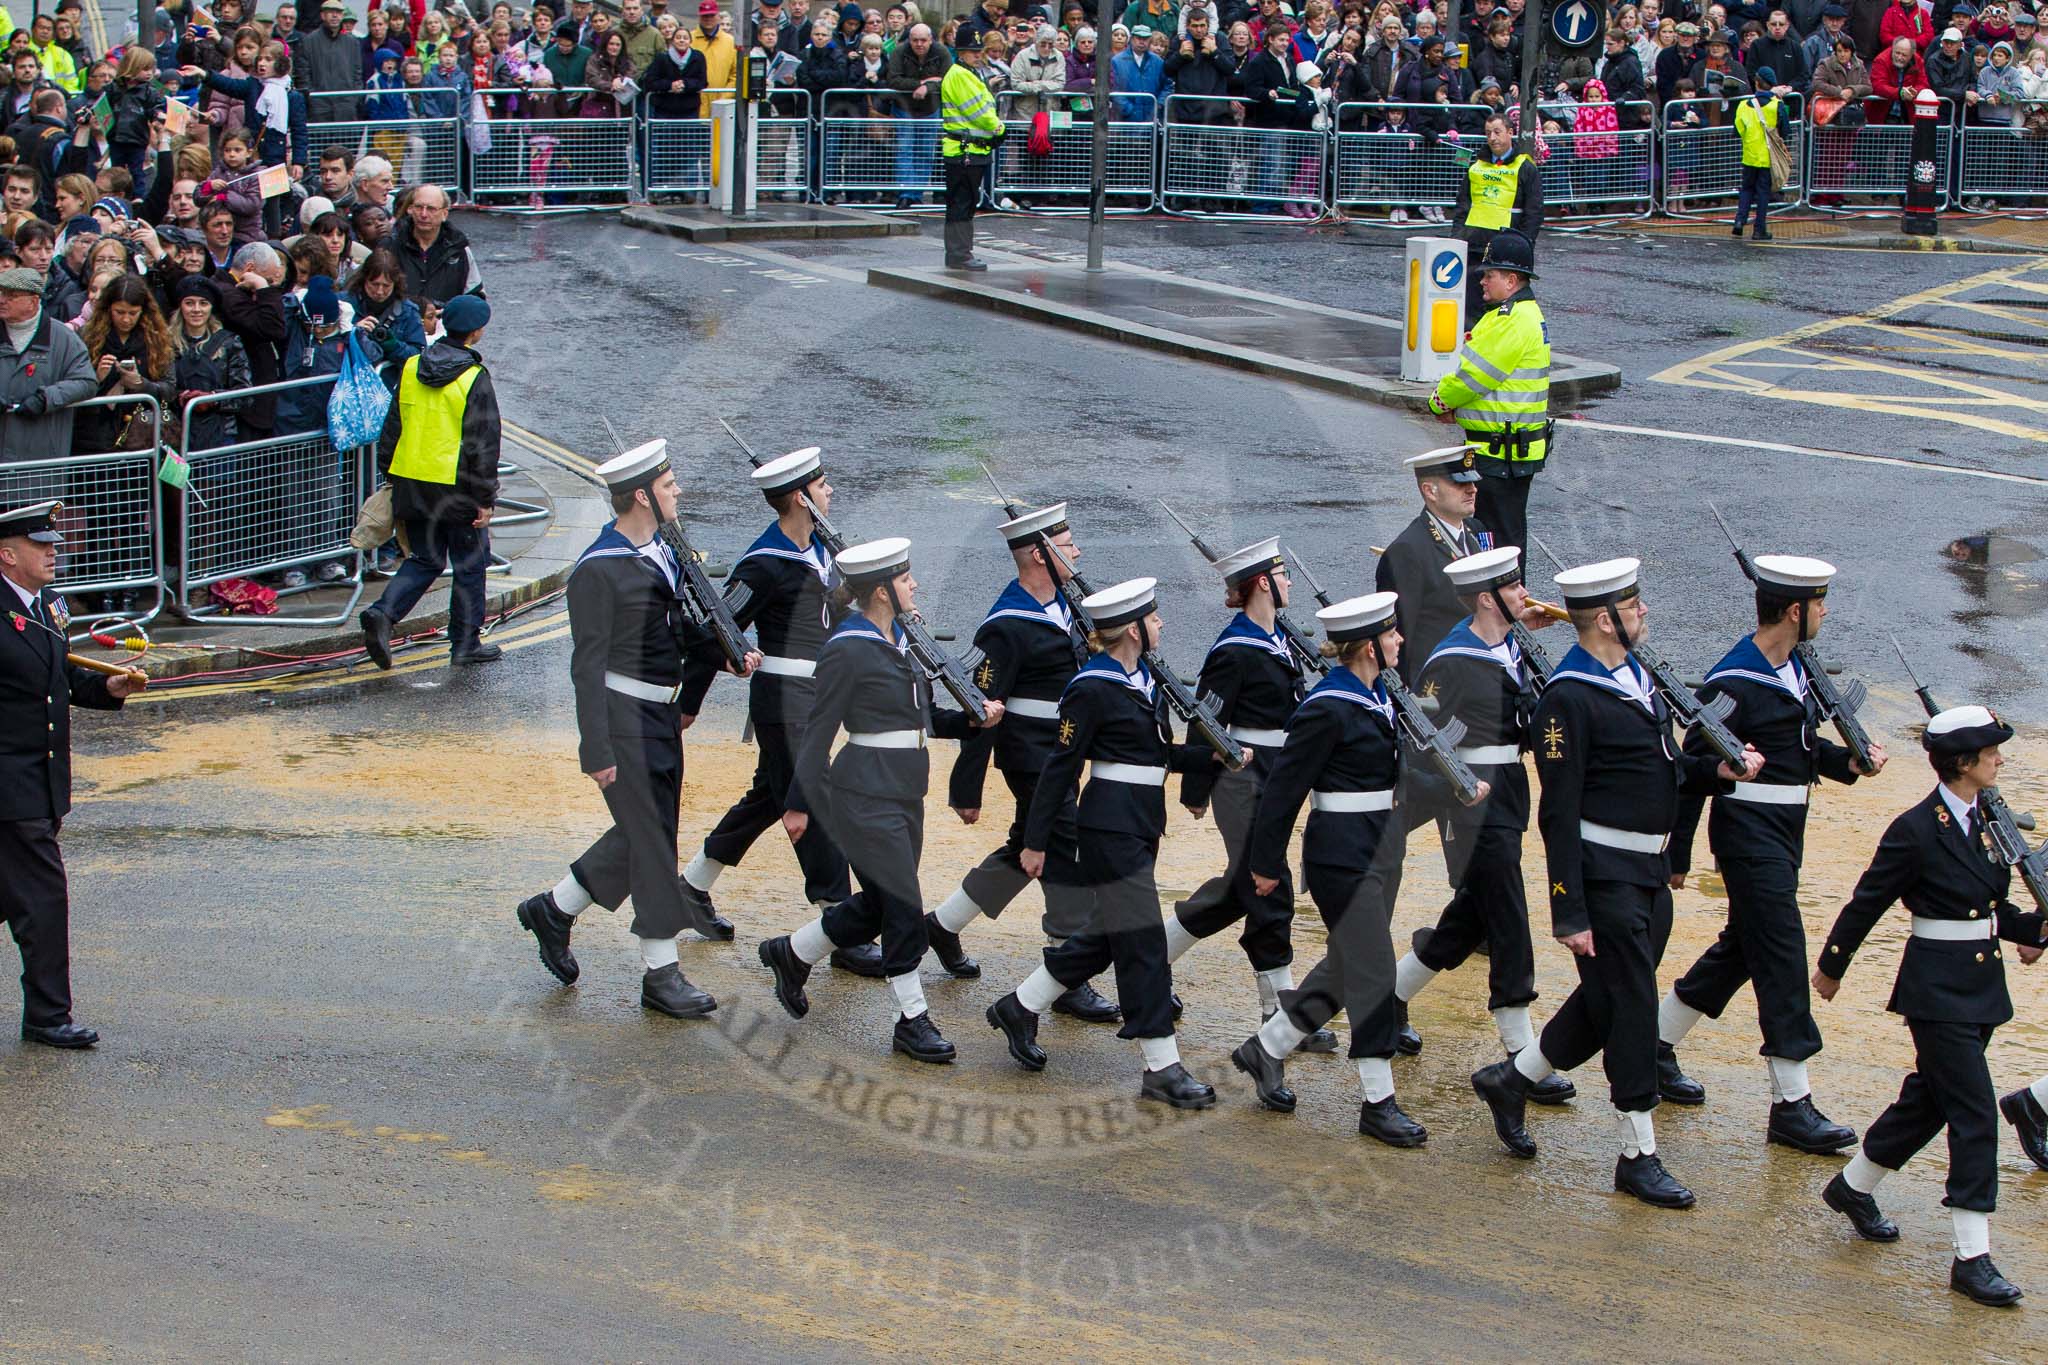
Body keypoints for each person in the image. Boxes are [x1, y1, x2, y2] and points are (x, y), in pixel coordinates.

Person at [1470, 557, 1761, 1208]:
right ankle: (1638, 1153)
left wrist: (1720, 771)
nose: (1645, 613)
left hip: (1648, 872)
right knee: (1631, 1007)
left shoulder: (1637, 675)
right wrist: (1567, 909)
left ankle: (1511, 1079)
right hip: (1603, 881)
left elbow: (1666, 766)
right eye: (1635, 606)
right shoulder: (1568, 697)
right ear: (1605, 619)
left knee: (1604, 1001)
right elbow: (1557, 812)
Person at [1230, 589, 1488, 1143]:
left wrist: (1453, 793)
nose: (1399, 640)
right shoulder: (1327, 706)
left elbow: (1391, 780)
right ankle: (1377, 1100)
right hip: (1340, 856)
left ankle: (1267, 1048)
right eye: (1391, 634)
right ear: (1369, 646)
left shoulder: (1379, 696)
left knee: (1348, 966)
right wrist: (1266, 863)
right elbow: (1282, 792)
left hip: (1381, 847)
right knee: (1373, 971)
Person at [1815, 706, 2046, 1307]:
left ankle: (1853, 1186)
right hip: (1936, 992)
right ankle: (1972, 1258)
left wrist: (2035, 928)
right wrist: (1832, 966)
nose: (2000, 758)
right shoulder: (1917, 828)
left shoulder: (1991, 819)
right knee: (1975, 1116)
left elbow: (1988, 912)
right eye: (1991, 752)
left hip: (1980, 988)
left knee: (1928, 1102)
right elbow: (1869, 899)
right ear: (1963, 764)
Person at [515, 441, 752, 1016]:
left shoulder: (662, 549)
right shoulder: (600, 570)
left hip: (659, 717)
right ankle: (661, 972)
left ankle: (554, 908)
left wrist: (727, 655)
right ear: (642, 495)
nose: (678, 493)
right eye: (670, 486)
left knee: (647, 832)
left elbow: (674, 627)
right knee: (651, 843)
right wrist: (595, 748)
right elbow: (587, 666)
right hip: (622, 720)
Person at [1656, 554, 1882, 1155]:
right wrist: (1676, 853)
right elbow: (1691, 766)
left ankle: (1655, 1044)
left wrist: (1847, 762)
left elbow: (1796, 750)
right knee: (1782, 951)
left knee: (1743, 948)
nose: (1826, 612)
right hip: (1748, 830)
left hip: (1786, 828)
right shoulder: (1733, 681)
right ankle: (1792, 1103)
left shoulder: (1793, 667)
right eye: (1819, 603)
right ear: (1792, 611)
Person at [984, 576, 1239, 1108]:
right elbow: (1060, 768)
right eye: (1153, 617)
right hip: (1107, 828)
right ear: (1131, 629)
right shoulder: (1091, 686)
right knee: (1143, 943)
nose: (1162, 623)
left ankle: (1020, 1005)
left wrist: (1209, 758)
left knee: (1105, 935)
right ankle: (1161, 1066)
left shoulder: (1145, 679)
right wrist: (1035, 843)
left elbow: (1155, 755)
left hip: (1142, 822)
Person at [759, 537, 1002, 1062]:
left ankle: (793, 953)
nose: (914, 584)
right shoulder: (847, 647)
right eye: (905, 578)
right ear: (882, 592)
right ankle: (912, 1020)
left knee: (880, 903)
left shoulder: (902, 640)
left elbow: (924, 720)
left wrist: (973, 719)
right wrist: (798, 803)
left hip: (904, 790)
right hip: (862, 793)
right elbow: (817, 730)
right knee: (905, 907)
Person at [673, 448, 884, 977]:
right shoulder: (763, 563)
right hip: (783, 703)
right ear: (799, 497)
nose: (830, 492)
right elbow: (714, 630)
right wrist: (690, 701)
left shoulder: (823, 552)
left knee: (771, 795)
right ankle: (838, 926)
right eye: (822, 485)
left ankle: (691, 887)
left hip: (816, 699)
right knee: (812, 806)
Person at [1391, 547, 1577, 1102]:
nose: (1525, 594)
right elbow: (1422, 742)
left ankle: (1390, 995)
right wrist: (1455, 793)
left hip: (1508, 788)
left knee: (1473, 913)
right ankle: (1522, 1056)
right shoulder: (1451, 660)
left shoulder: (1514, 645)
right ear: (1485, 599)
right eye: (1514, 589)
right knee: (1507, 914)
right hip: (1469, 796)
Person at [928, 502, 1121, 1020]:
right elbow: (981, 708)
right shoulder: (1006, 624)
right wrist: (965, 787)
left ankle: (943, 925)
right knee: (1063, 847)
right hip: (1029, 754)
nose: (1077, 550)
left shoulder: (1069, 606)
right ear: (1040, 554)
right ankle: (1066, 975)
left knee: (1025, 845)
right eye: (1067, 543)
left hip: (1061, 749)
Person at [1161, 536, 1336, 1048]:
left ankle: (1150, 957)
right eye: (1282, 577)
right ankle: (1279, 1017)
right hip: (1242, 780)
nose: (1287, 584)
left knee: (1240, 887)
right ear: (1263, 583)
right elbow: (1206, 718)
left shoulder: (1278, 635)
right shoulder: (1235, 649)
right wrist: (1197, 788)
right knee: (1269, 886)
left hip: (1276, 775)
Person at [0, 500, 145, 1050]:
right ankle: (47, 1014)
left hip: (42, 778)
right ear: (7, 555)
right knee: (42, 895)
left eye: (53, 543)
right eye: (42, 545)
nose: (54, 551)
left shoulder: (50, 604)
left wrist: (104, 691)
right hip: (8, 784)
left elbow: (53, 679)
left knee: (11, 895)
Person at [358, 293, 503, 669]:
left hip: (412, 481)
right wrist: (485, 499)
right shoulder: (473, 377)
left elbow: (392, 428)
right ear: (477, 331)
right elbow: (484, 444)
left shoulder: (410, 367)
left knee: (425, 558)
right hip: (455, 487)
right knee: (470, 564)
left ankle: (384, 614)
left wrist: (392, 474)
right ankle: (465, 643)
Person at [1425, 230, 1550, 554]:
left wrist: (1439, 403)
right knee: (1496, 539)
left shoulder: (1510, 321)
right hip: (1505, 452)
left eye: (1489, 274)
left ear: (1511, 280)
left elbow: (1472, 379)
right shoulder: (1513, 316)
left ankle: (1506, 603)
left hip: (1500, 456)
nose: (1481, 280)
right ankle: (1502, 601)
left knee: (1499, 546)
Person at [1374, 445, 1492, 684]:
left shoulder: (1473, 530)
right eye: (1460, 484)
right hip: (1442, 679)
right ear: (1430, 491)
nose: (1472, 489)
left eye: (1472, 481)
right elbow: (1400, 637)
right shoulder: (1407, 551)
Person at [0, 265, 97, 463]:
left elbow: (86, 382)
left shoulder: (64, 338)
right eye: (1, 293)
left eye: (11, 295)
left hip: (42, 454)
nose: (2, 300)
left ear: (33, 301)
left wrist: (46, 399)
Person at [1450, 113, 1540, 322]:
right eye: (1488, 133)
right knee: (1471, 307)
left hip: (1504, 248)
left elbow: (1534, 211)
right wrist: (1456, 237)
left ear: (1510, 133)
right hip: (1473, 244)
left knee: (1500, 308)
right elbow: (1463, 205)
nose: (1492, 138)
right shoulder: (1476, 166)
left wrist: (1526, 244)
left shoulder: (1525, 167)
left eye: (1497, 132)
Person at [939, 27, 1001, 269]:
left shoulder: (967, 72)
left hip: (969, 149)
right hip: (965, 150)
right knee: (962, 204)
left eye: (978, 51)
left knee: (963, 203)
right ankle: (959, 254)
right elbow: (979, 113)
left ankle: (959, 253)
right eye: (971, 51)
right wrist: (999, 128)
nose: (977, 55)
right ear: (960, 52)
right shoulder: (960, 75)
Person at [889, 22, 951, 208]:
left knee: (925, 152)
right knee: (904, 150)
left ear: (931, 40)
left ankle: (918, 192)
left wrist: (929, 87)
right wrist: (921, 83)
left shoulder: (942, 52)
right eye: (915, 40)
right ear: (909, 40)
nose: (919, 44)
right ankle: (906, 193)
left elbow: (948, 80)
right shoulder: (899, 52)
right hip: (904, 108)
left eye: (923, 40)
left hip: (930, 109)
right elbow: (893, 80)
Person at [391, 184, 483, 305]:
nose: (423, 214)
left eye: (431, 209)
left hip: (445, 321)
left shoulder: (459, 249)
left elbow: (474, 296)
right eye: (419, 207)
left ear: (445, 214)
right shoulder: (390, 245)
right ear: (410, 209)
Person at [1731, 70, 1782, 239]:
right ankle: (1759, 229)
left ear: (1757, 83)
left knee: (1746, 189)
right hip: (1767, 158)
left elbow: (1737, 131)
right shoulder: (1776, 105)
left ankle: (1739, 221)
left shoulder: (1744, 105)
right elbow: (1785, 130)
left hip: (1749, 155)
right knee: (1763, 193)